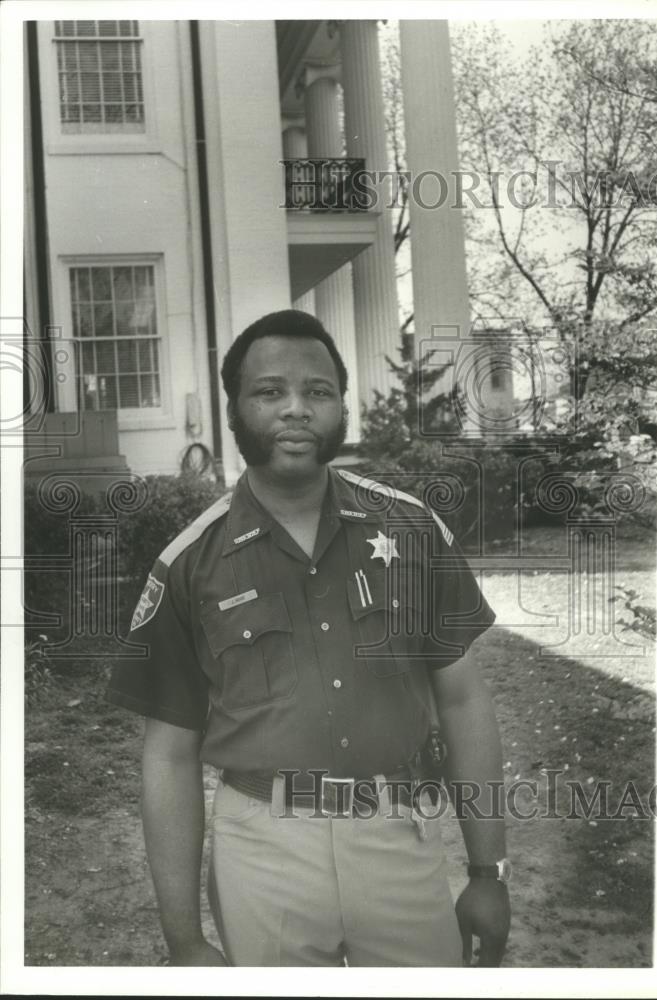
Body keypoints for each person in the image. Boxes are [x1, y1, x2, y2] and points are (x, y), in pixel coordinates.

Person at [106, 310, 511, 967]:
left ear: (341, 407)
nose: (295, 409)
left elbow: (464, 701)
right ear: (233, 409)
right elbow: (169, 757)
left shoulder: (411, 532)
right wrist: (183, 938)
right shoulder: (189, 564)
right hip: (263, 849)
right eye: (269, 392)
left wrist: (488, 871)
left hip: (397, 836)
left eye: (317, 391)